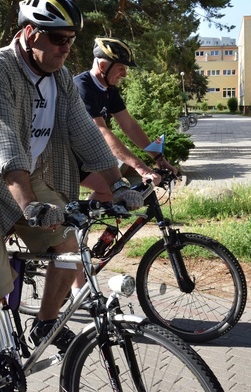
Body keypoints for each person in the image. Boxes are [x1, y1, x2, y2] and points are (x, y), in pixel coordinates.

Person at [0, 0, 143, 392]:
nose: (65, 48)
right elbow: (1, 139)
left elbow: (85, 133)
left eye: (71, 40)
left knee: (70, 245)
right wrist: (29, 205)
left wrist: (119, 185)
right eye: (58, 38)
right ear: (29, 34)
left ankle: (44, 323)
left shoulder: (59, 78)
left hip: (25, 181)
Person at [70, 37, 178, 305]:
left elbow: (129, 125)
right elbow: (103, 133)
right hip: (64, 160)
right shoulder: (81, 86)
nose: (125, 73)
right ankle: (76, 286)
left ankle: (86, 249)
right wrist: (141, 168)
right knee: (72, 230)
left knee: (106, 193)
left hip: (85, 159)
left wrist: (159, 157)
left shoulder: (108, 89)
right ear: (103, 64)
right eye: (121, 67)